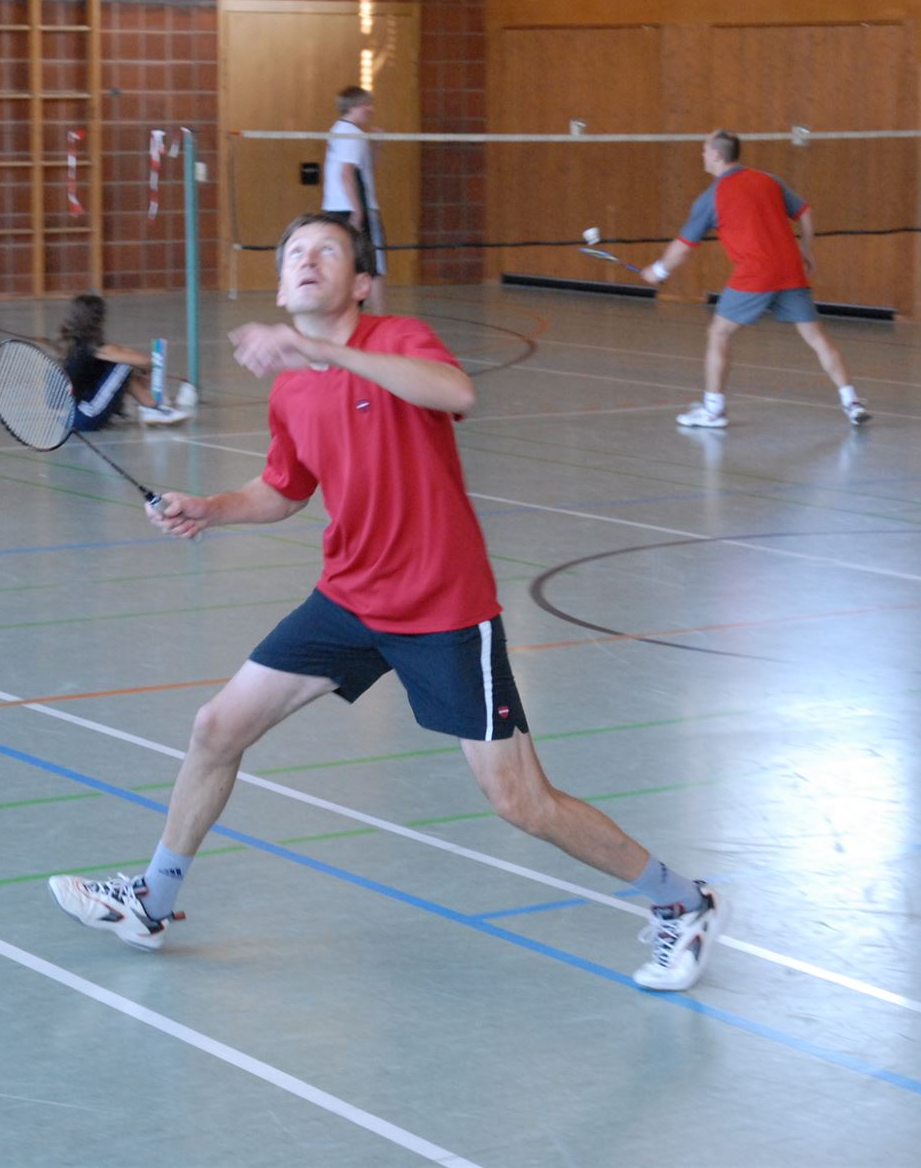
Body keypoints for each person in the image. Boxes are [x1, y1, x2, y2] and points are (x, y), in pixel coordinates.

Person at [48, 213, 726, 992]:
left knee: (519, 800)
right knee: (216, 728)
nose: (307, 259)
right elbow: (283, 490)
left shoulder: (399, 339)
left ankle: (685, 901)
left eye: (327, 250)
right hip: (349, 598)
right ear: (281, 287)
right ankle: (151, 901)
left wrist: (324, 351)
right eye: (293, 252)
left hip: (442, 605)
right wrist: (210, 507)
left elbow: (457, 391)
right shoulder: (291, 389)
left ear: (362, 283)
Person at [643, 130, 870, 429]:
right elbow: (805, 212)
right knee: (817, 338)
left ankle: (713, 411)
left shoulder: (711, 197)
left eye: (704, 150)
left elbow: (683, 248)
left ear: (717, 155)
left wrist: (658, 270)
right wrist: (806, 250)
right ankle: (851, 402)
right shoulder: (769, 180)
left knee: (719, 333)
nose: (702, 154)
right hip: (790, 270)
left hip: (756, 273)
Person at [57, 292, 186, 429]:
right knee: (122, 366)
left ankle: (152, 407)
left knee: (117, 369)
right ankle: (153, 409)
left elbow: (121, 353)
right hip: (86, 416)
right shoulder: (97, 349)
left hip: (73, 415)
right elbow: (147, 361)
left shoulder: (76, 346)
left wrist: (139, 373)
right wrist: (145, 372)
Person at [321, 85, 387, 314]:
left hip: (334, 208)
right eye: (366, 104)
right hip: (354, 207)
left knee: (346, 264)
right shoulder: (352, 134)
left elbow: (365, 170)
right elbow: (346, 173)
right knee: (374, 265)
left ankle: (344, 316)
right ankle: (381, 320)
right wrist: (357, 211)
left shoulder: (339, 129)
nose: (371, 109)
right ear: (353, 107)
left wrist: (376, 146)